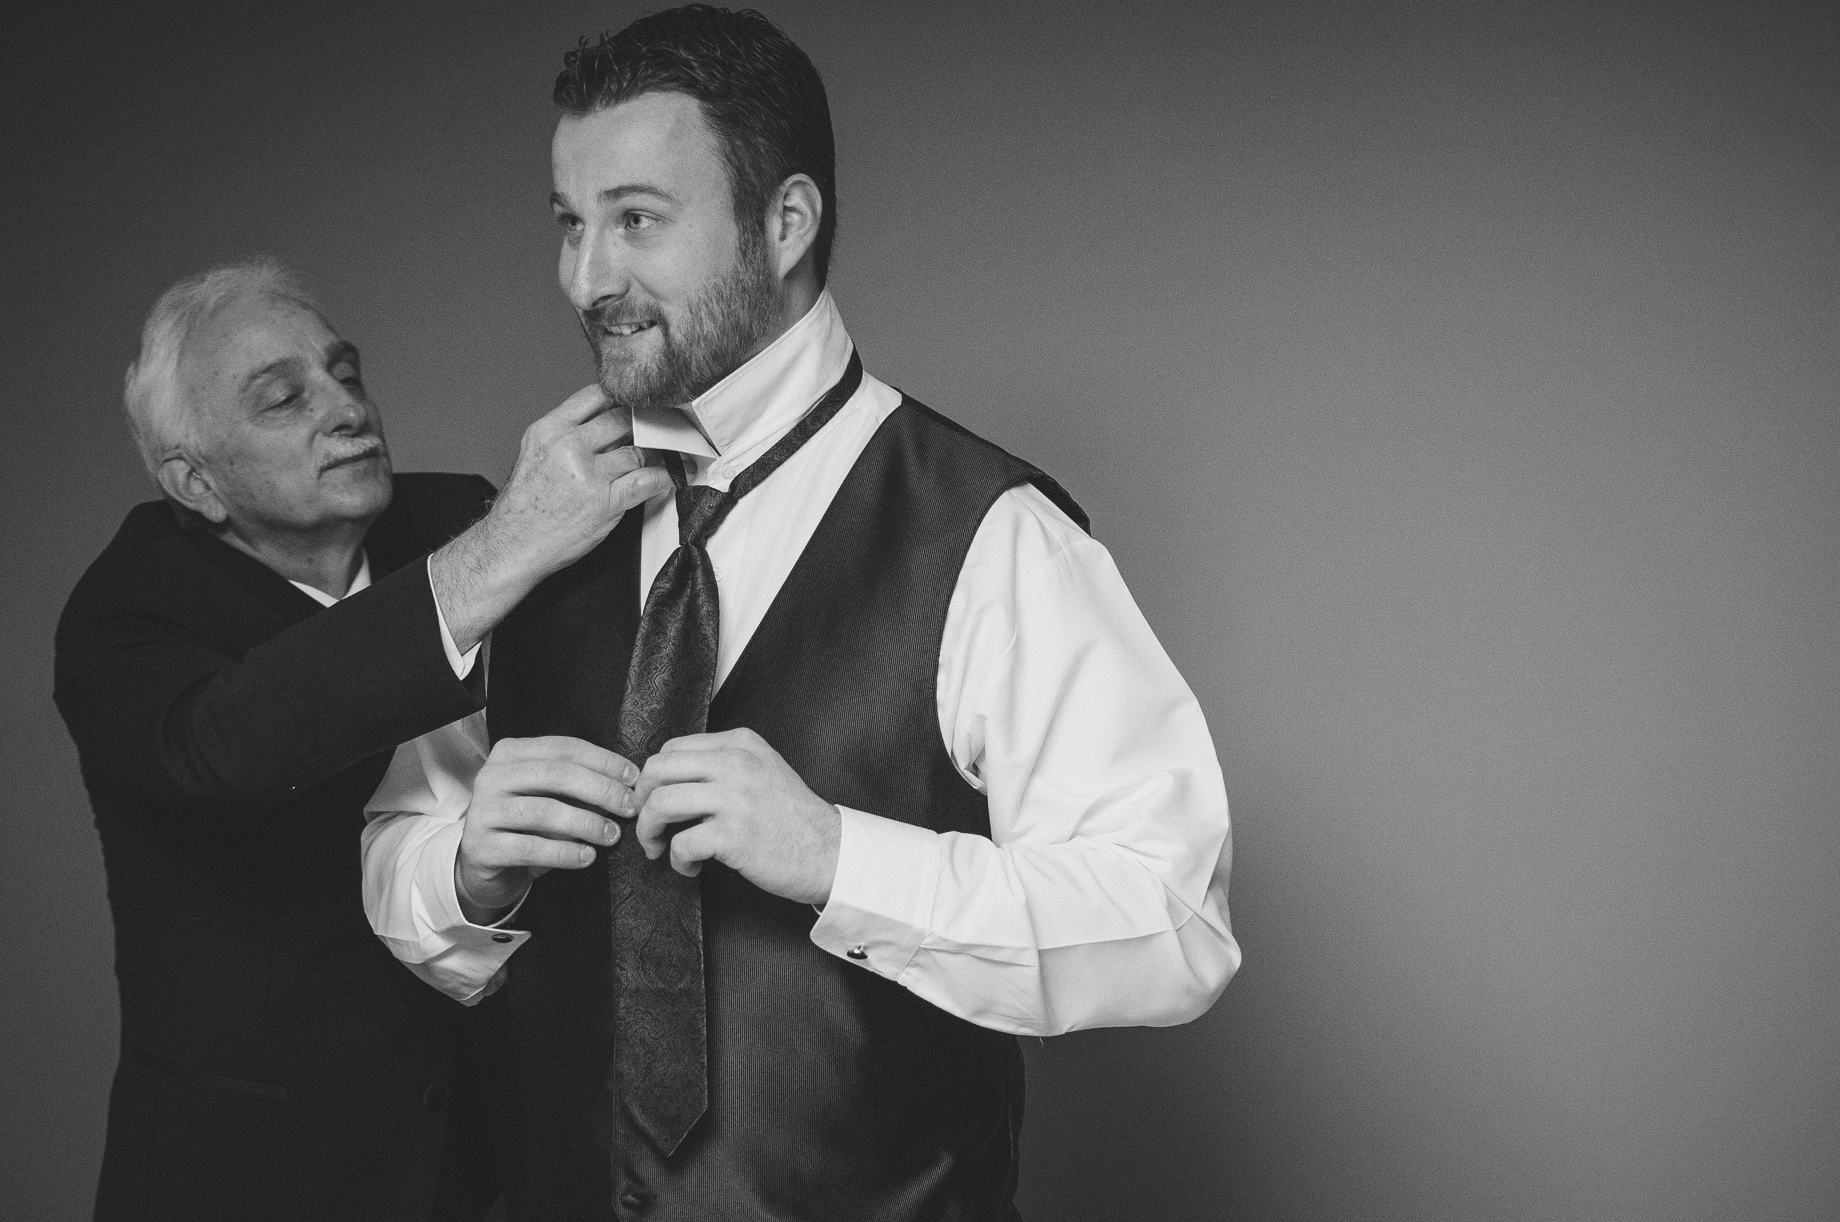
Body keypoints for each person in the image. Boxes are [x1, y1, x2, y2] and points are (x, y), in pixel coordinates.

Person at [363, 6, 1242, 1219]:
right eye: (569, 223)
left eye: (635, 219)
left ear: (784, 223)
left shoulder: (988, 533)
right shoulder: (535, 524)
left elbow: (1172, 922)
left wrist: (838, 855)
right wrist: (466, 871)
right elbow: (396, 854)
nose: (585, 278)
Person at [54, 259, 668, 1221]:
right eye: (284, 399)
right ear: (195, 482)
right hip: (252, 1175)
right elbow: (229, 745)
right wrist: (498, 554)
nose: (345, 409)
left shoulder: (455, 513)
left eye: (345, 373)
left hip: (489, 1152)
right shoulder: (125, 611)